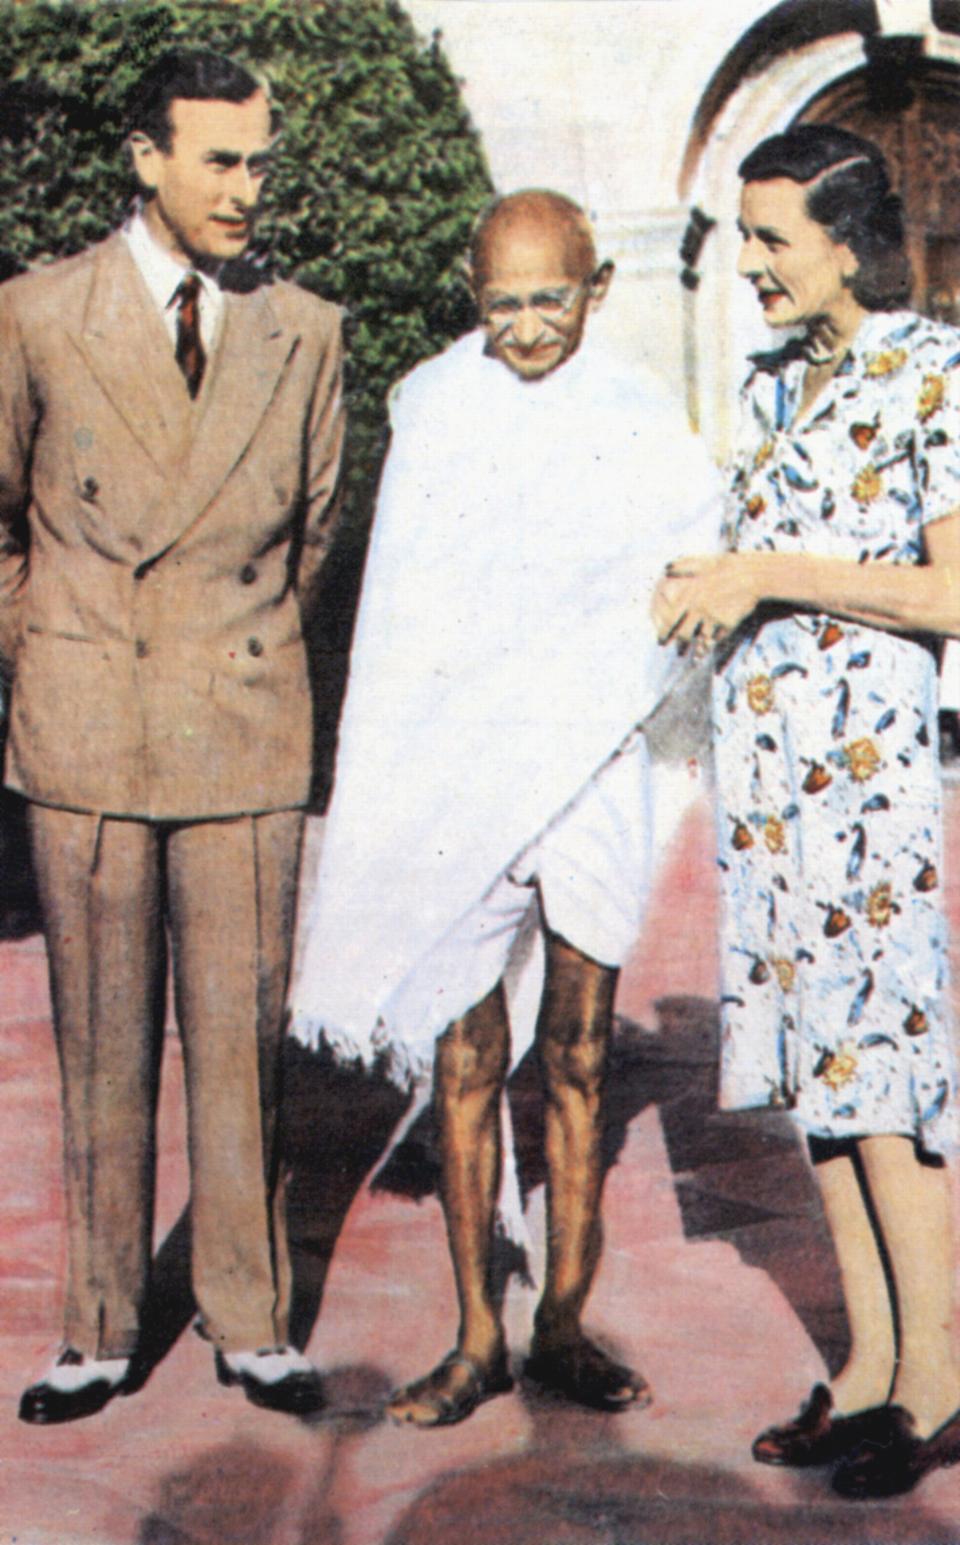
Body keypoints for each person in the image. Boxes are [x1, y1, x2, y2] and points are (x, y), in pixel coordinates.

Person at [290, 189, 719, 1427]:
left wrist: (601, 684)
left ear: (598, 289)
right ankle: (476, 1336)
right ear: (470, 297)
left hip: (587, 769)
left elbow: (681, 568)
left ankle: (564, 1324)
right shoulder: (432, 406)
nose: (528, 327)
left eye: (551, 300)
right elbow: (404, 611)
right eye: (503, 304)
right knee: (465, 1053)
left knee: (582, 1052)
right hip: (462, 773)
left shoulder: (642, 414)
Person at [3, 48, 344, 1423]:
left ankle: (250, 1318)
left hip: (241, 719)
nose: (247, 189)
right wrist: (52, 658)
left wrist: (226, 648)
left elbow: (310, 535)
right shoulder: (34, 314)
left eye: (261, 160)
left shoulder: (305, 329)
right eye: (219, 160)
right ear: (144, 158)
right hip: (89, 716)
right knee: (98, 1042)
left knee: (241, 1042)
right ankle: (94, 1326)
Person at [653, 124, 960, 1499]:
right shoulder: (775, 384)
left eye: (776, 239)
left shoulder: (936, 372)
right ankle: (873, 1366)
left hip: (867, 786)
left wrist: (768, 568)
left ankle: (942, 1374)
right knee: (821, 1093)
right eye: (746, 237)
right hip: (773, 789)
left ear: (850, 243)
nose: (754, 266)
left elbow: (951, 594)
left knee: (882, 1085)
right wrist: (714, 576)